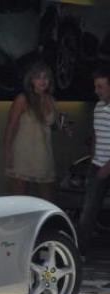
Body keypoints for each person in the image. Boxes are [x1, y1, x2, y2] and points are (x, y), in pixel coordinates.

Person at [4, 62, 59, 201]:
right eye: (38, 77)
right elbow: (11, 127)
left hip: (43, 154)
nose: (43, 81)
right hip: (23, 154)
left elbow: (52, 126)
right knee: (19, 200)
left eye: (46, 77)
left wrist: (64, 125)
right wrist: (8, 153)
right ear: (31, 80)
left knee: (47, 199)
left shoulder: (51, 100)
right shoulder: (22, 99)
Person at [78, 66, 110, 257]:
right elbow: (96, 134)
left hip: (106, 165)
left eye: (101, 86)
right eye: (95, 86)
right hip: (97, 164)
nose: (97, 90)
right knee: (88, 209)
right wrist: (93, 157)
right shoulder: (98, 107)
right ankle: (80, 250)